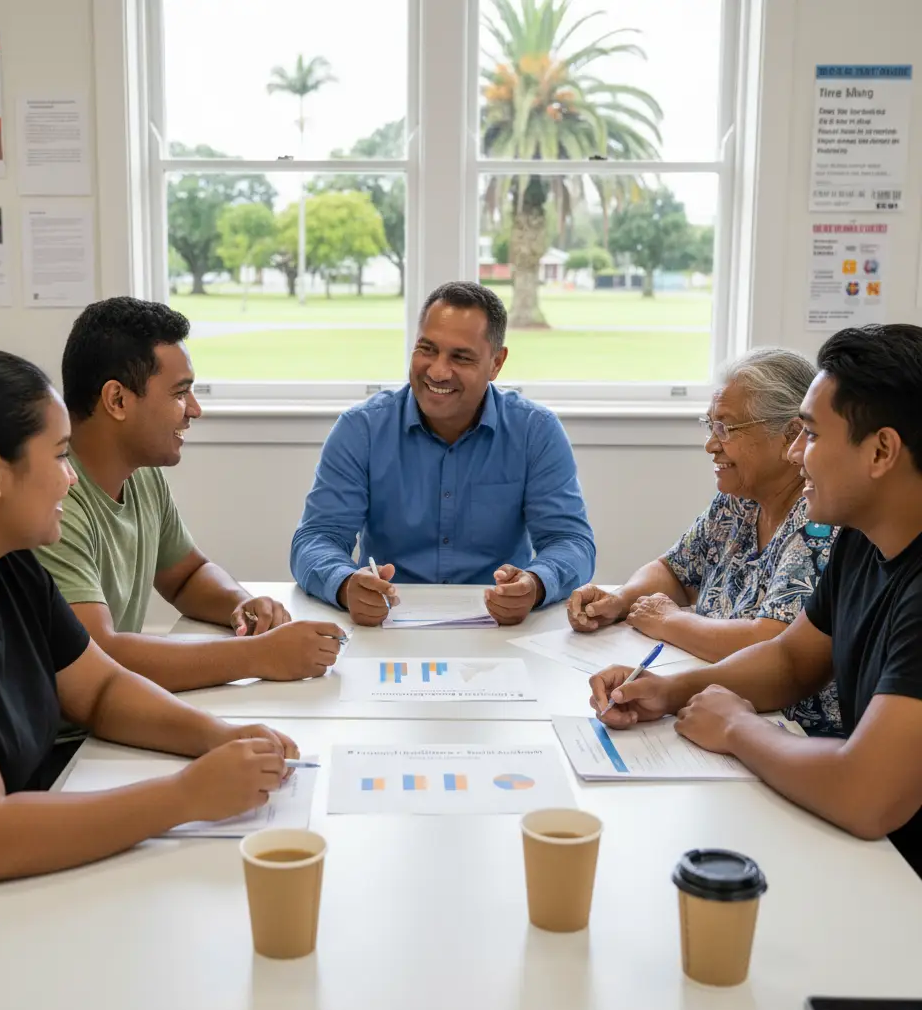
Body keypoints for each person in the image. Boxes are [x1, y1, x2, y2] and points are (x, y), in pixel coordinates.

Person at [0, 349, 301, 989]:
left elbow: (101, 689)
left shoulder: (8, 563)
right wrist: (185, 796)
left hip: (5, 900)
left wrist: (217, 736)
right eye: (60, 456)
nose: (71, 479)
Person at [589, 324, 922, 877]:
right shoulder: (864, 541)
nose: (796, 453)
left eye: (811, 435)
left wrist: (737, 728)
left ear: (881, 451)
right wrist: (668, 692)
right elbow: (792, 659)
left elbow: (867, 794)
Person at [36, 297, 343, 693]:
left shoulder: (141, 475)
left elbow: (186, 576)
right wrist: (259, 655)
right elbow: (96, 656)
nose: (195, 410)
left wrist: (241, 604)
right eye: (180, 393)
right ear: (117, 400)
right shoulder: (54, 503)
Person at [290, 281, 596, 627]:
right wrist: (345, 584)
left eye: (460, 357)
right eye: (427, 349)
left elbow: (570, 541)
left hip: (500, 628)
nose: (437, 371)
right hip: (387, 625)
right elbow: (317, 538)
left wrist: (536, 584)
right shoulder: (361, 429)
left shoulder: (535, 431)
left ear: (496, 363)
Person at [569, 348, 841, 735]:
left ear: (789, 435)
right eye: (710, 426)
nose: (711, 445)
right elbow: (673, 570)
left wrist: (671, 622)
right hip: (714, 699)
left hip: (787, 727)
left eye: (726, 429)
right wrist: (621, 599)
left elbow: (774, 643)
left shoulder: (818, 523)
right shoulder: (739, 500)